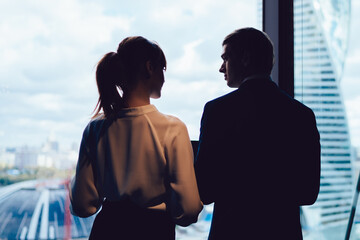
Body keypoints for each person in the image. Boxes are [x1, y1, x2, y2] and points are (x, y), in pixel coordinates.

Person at [70, 36, 203, 240]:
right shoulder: (172, 128)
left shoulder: (95, 128)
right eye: (162, 69)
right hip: (153, 230)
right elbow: (189, 210)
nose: (164, 78)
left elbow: (83, 205)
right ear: (150, 67)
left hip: (107, 229)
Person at [194, 28, 320, 239]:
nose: (220, 68)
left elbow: (205, 190)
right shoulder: (302, 115)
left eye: (226, 58)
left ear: (245, 58)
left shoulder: (218, 111)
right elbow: (308, 193)